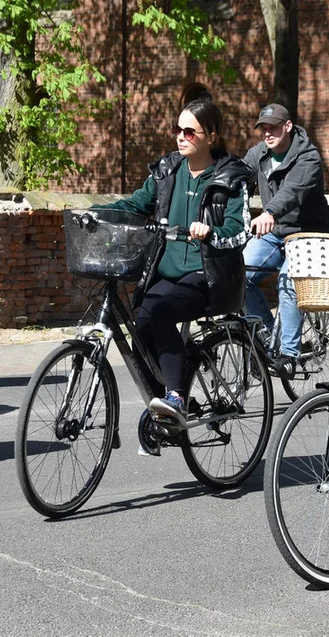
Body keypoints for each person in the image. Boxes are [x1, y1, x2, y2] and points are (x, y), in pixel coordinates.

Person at [97, 99, 251, 423]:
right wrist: (100, 213)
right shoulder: (168, 170)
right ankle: (165, 408)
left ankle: (176, 398)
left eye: (189, 132)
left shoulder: (231, 178)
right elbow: (138, 202)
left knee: (164, 313)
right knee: (141, 326)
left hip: (206, 274)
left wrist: (210, 232)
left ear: (211, 135)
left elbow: (240, 232)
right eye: (176, 130)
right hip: (166, 272)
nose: (180, 137)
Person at [242, 103, 329, 376]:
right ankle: (270, 337)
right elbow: (236, 178)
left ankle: (289, 354)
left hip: (307, 234)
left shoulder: (308, 156)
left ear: (288, 126)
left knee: (289, 279)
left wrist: (269, 211)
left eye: (273, 127)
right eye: (263, 129)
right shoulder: (258, 154)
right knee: (239, 273)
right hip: (274, 233)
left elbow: (293, 190)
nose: (267, 133)